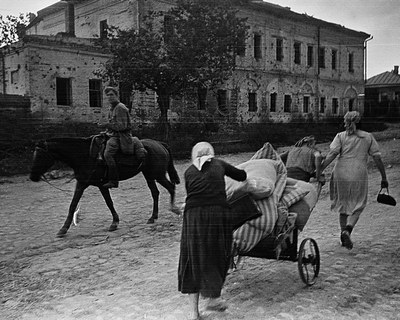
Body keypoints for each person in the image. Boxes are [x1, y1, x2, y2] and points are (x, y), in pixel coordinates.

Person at [178, 142, 247, 320]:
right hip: (216, 215)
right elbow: (241, 175)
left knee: (192, 258)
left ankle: (194, 313)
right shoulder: (219, 164)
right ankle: (213, 298)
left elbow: (195, 193)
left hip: (192, 218)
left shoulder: (188, 171)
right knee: (218, 253)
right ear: (211, 154)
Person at [320, 111, 389, 249]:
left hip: (340, 172)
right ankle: (348, 230)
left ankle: (342, 235)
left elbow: (332, 155)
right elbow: (377, 158)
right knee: (359, 204)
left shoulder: (340, 136)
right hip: (358, 173)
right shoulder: (368, 137)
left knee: (343, 205)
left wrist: (319, 170)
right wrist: (384, 177)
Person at [100, 86, 146, 188]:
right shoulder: (112, 108)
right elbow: (112, 124)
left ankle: (113, 180)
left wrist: (106, 125)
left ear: (117, 95)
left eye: (112, 95)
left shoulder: (120, 108)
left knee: (108, 153)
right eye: (108, 95)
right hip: (113, 134)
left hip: (121, 136)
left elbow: (122, 126)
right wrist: (105, 130)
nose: (110, 97)